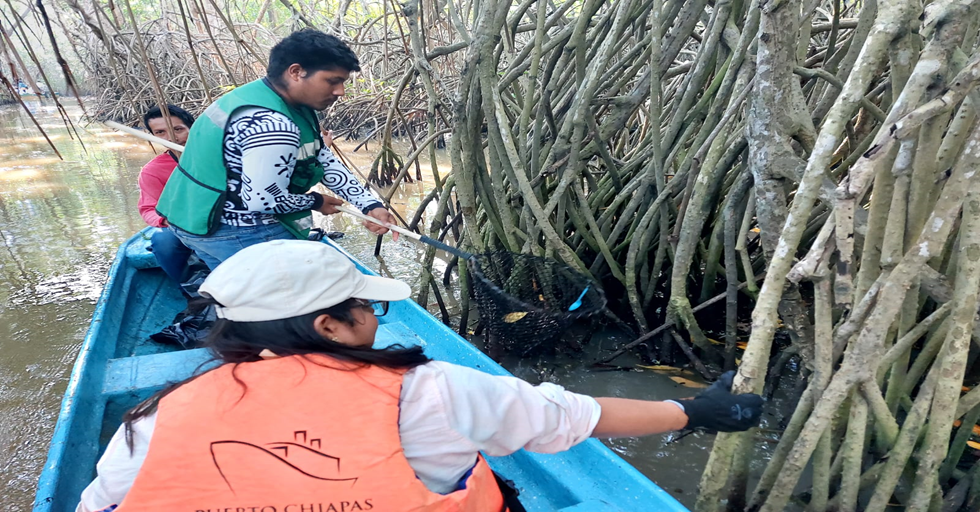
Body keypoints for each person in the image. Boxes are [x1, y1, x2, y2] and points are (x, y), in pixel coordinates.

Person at [76, 240, 764, 512]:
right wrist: (695, 412)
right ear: (329, 326)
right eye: (368, 308)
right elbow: (573, 417)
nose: (376, 320)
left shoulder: (162, 415)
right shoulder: (432, 390)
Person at [155, 29, 396, 270]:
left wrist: (368, 205)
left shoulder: (270, 97)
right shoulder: (272, 125)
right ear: (296, 72)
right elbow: (263, 200)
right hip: (234, 229)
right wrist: (315, 200)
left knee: (243, 296)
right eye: (332, 81)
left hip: (190, 217)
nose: (340, 91)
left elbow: (321, 156)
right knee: (291, 301)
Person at [137, 104, 196, 283]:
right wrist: (167, 220)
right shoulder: (152, 171)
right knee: (163, 242)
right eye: (160, 132)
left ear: (192, 128)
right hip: (184, 226)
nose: (171, 138)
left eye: (178, 129)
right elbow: (149, 209)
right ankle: (192, 290)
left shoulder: (222, 155)